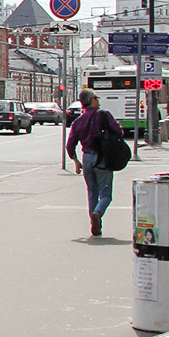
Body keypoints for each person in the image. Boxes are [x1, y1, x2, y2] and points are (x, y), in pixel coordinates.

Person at [68, 89, 124, 238]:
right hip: (102, 158)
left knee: (92, 191)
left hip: (87, 158)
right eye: (97, 98)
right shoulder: (103, 115)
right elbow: (118, 132)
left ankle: (95, 226)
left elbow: (70, 145)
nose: (98, 101)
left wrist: (76, 161)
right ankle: (97, 213)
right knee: (105, 194)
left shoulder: (78, 121)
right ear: (92, 100)